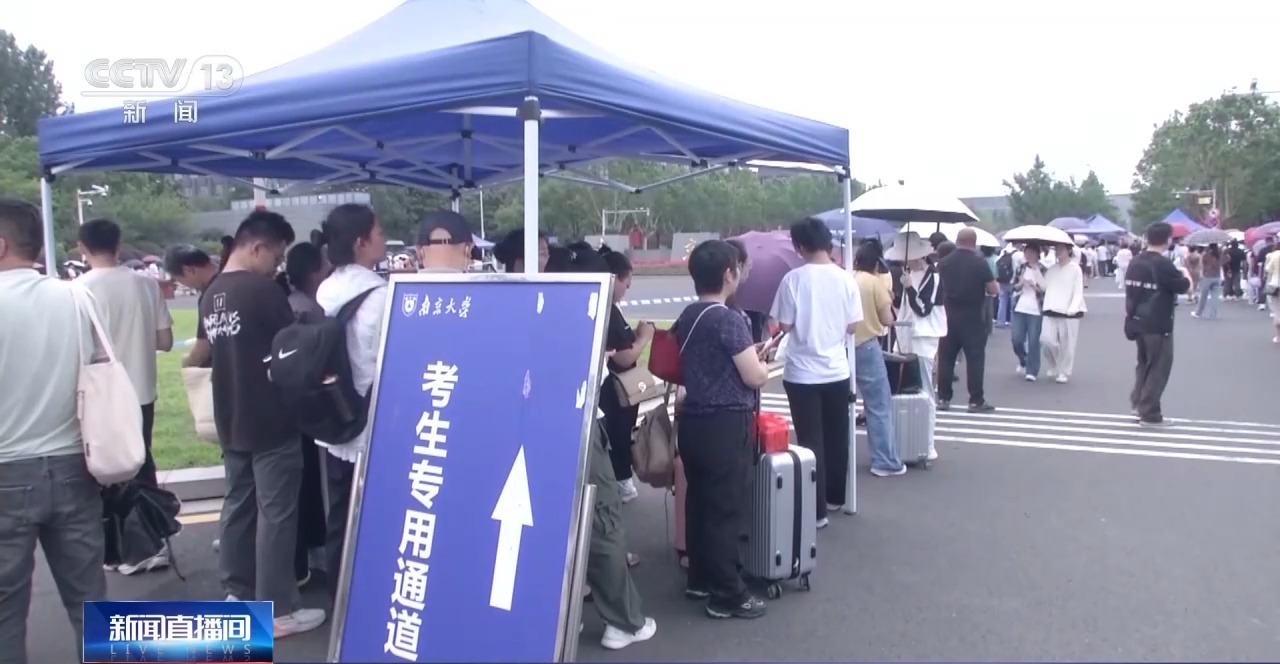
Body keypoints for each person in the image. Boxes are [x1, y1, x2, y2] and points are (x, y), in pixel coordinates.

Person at [200, 210, 326, 636]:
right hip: (272, 419)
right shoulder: (262, 292)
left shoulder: (212, 293)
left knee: (238, 507)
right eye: (276, 255)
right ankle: (277, 608)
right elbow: (293, 350)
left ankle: (237, 590)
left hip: (231, 416)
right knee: (277, 515)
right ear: (257, 247)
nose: (277, 265)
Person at [0, 199, 106, 664]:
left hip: (5, 469)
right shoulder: (76, 297)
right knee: (90, 602)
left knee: (5, 611)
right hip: (73, 463)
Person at [556, 248, 657, 648]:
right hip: (581, 426)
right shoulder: (582, 318)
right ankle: (624, 621)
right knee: (602, 521)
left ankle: (562, 615)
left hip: (551, 429)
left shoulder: (539, 311)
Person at [75, 218, 175, 575]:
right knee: (141, 461)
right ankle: (152, 542)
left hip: (98, 395)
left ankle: (121, 548)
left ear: (82, 248)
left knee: (102, 469)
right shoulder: (146, 285)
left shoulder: (76, 290)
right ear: (119, 245)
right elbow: (165, 341)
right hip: (141, 389)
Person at [678, 240, 771, 620]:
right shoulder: (728, 319)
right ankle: (728, 594)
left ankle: (700, 578)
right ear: (728, 274)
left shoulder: (689, 314)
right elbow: (753, 377)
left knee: (700, 504)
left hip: (693, 421)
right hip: (725, 424)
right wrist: (763, 365)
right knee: (725, 509)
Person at [313, 204, 389, 601]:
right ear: (361, 241)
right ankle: (367, 594)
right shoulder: (380, 294)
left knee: (340, 510)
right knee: (375, 510)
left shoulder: (326, 288)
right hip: (370, 416)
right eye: (379, 232)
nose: (383, 238)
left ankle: (337, 591)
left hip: (333, 414)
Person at [770, 219, 863, 522]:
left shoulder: (793, 280)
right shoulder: (846, 278)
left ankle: (816, 510)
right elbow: (853, 325)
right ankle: (835, 496)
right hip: (837, 370)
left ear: (799, 246)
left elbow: (784, 325)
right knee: (837, 435)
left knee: (811, 441)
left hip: (802, 373)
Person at [275, 239, 332, 589]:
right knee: (306, 487)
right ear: (314, 272)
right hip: (309, 413)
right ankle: (308, 561)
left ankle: (308, 555)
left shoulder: (289, 303)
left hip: (290, 412)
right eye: (325, 266)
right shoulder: (310, 311)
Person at [597, 245, 652, 504]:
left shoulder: (612, 308)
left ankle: (620, 481)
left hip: (620, 392)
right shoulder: (608, 310)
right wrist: (644, 338)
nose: (626, 290)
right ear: (615, 278)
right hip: (614, 392)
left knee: (619, 434)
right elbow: (624, 356)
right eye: (626, 284)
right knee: (617, 436)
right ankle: (621, 483)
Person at [1123, 222, 1191, 427]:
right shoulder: (1163, 264)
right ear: (1168, 240)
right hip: (1158, 323)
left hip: (1136, 320)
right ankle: (1150, 413)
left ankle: (1138, 403)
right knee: (1159, 368)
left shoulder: (1135, 262)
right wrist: (1186, 274)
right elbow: (1184, 287)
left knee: (1143, 364)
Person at [851, 242, 904, 476]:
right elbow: (887, 320)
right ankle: (884, 460)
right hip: (866, 346)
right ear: (877, 263)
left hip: (840, 348)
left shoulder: (846, 278)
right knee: (878, 404)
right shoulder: (874, 283)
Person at [935, 228, 998, 412]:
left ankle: (944, 398)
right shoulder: (980, 263)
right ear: (974, 243)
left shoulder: (944, 262)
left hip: (948, 315)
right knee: (975, 359)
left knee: (946, 358)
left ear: (957, 241)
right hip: (973, 317)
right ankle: (975, 400)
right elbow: (993, 289)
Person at [887, 233, 946, 411]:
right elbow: (906, 305)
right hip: (905, 333)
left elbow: (923, 309)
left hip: (923, 335)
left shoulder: (933, 276)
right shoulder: (910, 273)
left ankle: (927, 425)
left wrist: (909, 288)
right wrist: (894, 297)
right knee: (903, 383)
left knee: (924, 385)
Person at [1040, 244, 1087, 384]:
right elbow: (1044, 286)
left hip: (1068, 311)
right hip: (1050, 308)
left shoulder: (1075, 269)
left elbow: (1078, 291)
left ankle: (1063, 371)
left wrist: (1073, 308)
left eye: (1062, 249)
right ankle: (1054, 364)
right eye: (1057, 250)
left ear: (1069, 251)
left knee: (1067, 344)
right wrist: (1035, 271)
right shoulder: (1052, 269)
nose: (1058, 252)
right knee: (1046, 340)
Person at [1010, 245, 1047, 382]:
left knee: (1033, 341)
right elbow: (1012, 285)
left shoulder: (1043, 270)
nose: (1029, 256)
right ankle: (1023, 359)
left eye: (1031, 253)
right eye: (1027, 253)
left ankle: (1032, 370)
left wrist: (1035, 287)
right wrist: (1020, 284)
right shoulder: (1021, 267)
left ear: (1037, 254)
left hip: (1036, 309)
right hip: (1020, 307)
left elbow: (1046, 290)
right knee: (1017, 339)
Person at [1192, 244, 1223, 319]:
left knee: (1203, 296)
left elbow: (1201, 265)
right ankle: (1213, 314)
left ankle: (1198, 312)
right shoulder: (1219, 255)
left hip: (1207, 277)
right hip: (1217, 276)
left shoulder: (1206, 255)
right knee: (1215, 297)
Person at [1265, 243, 1280, 343]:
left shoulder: (1274, 255)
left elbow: (1268, 269)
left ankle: (1278, 336)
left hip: (1275, 285)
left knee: (1277, 310)